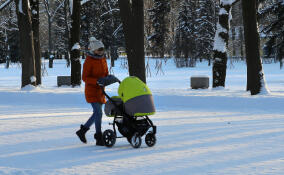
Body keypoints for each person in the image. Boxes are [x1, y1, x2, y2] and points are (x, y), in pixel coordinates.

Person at [76, 37, 108, 146]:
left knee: (97, 114)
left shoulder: (103, 58)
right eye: (99, 50)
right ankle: (99, 137)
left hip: (101, 90)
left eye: (102, 49)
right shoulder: (89, 61)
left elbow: (105, 73)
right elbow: (85, 77)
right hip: (92, 90)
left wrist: (108, 78)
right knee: (99, 113)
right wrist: (97, 81)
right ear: (93, 50)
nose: (101, 51)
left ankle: (82, 131)